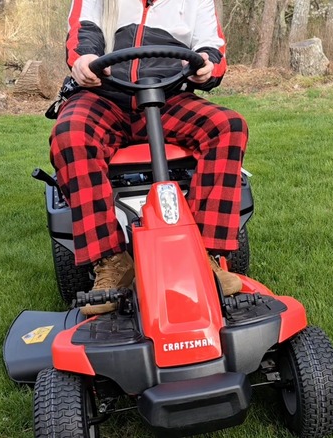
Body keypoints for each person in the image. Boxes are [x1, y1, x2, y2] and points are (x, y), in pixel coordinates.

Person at [50, 0, 247, 315]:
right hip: (105, 97)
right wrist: (85, 59)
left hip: (168, 97)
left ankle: (205, 253)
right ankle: (112, 262)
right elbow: (82, 36)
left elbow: (213, 50)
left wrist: (206, 67)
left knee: (228, 127)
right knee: (71, 136)